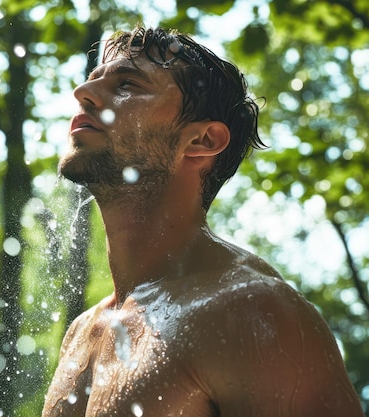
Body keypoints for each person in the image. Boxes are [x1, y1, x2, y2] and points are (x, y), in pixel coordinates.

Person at [42, 24, 364, 417]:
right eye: (94, 80)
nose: (82, 93)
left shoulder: (251, 310)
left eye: (128, 85)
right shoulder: (82, 332)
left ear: (203, 141)